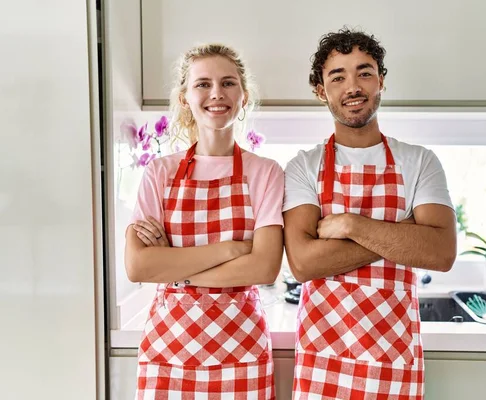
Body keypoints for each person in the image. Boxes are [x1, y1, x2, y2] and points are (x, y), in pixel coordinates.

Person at [283, 28, 457, 399]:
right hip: (323, 363)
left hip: (393, 360)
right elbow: (303, 263)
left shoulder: (419, 161)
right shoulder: (303, 167)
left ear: (381, 81)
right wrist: (406, 234)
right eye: (338, 76)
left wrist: (350, 225)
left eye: (364, 72)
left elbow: (441, 253)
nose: (353, 86)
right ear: (320, 90)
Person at [125, 43, 283, 399]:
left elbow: (264, 268)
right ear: (184, 98)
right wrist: (232, 249)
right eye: (203, 84)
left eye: (228, 83)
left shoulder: (265, 172)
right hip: (170, 351)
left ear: (243, 95)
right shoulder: (159, 173)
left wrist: (173, 268)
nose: (217, 94)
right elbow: (138, 266)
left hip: (241, 351)